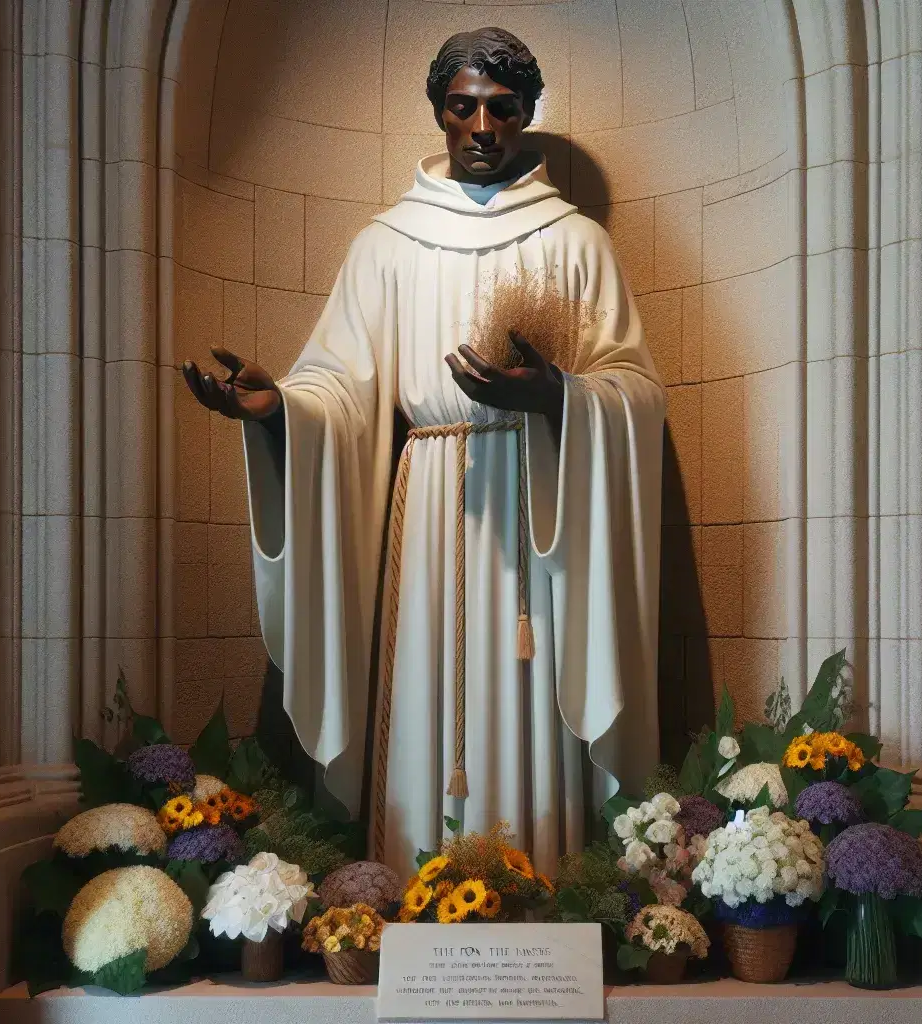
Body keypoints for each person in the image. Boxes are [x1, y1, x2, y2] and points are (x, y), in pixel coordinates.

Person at [181, 27, 664, 875]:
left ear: (526, 116)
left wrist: (555, 397)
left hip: (537, 504)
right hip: (432, 497)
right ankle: (413, 880)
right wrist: (280, 412)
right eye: (463, 106)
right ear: (439, 112)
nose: (483, 127)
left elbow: (634, 390)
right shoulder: (388, 242)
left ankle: (544, 877)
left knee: (529, 686)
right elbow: (340, 389)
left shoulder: (576, 241)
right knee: (425, 694)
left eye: (503, 109)